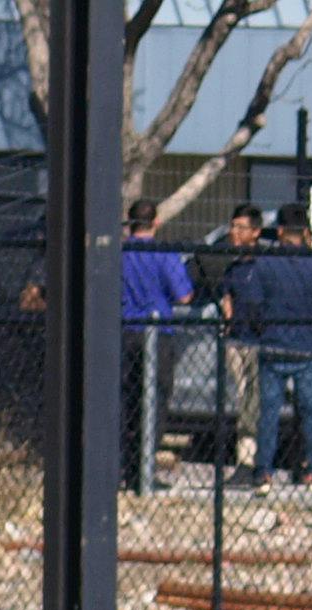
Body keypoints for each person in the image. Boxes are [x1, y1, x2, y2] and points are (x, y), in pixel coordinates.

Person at [235, 208, 312, 486]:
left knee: (268, 413)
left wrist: (263, 330)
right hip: (308, 346)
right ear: (305, 232)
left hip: (274, 345)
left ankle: (264, 470)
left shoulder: (266, 263)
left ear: (279, 231)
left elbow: (253, 305)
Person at [121, 199, 193, 492]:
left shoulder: (119, 253)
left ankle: (118, 467)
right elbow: (184, 295)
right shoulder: (164, 253)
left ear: (129, 223)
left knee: (124, 399)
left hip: (124, 330)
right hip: (158, 332)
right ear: (156, 222)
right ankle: (143, 470)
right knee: (155, 400)